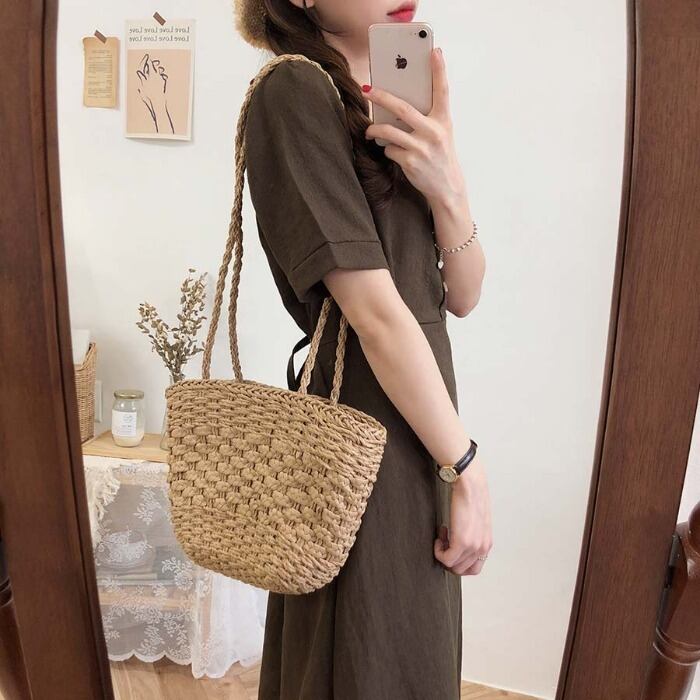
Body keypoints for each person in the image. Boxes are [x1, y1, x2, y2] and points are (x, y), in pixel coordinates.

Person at [235, 0, 492, 697]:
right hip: (357, 437)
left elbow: (463, 293)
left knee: (412, 652)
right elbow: (375, 315)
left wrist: (449, 185)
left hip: (424, 423)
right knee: (364, 659)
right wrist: (466, 467)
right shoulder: (294, 91)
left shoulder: (392, 94)